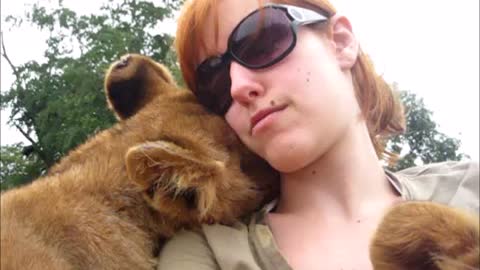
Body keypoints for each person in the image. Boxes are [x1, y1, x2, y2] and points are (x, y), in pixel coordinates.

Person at [158, 0, 479, 269]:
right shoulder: (205, 253)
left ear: (340, 41)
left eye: (261, 42)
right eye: (214, 81)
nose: (239, 86)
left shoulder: (470, 188)